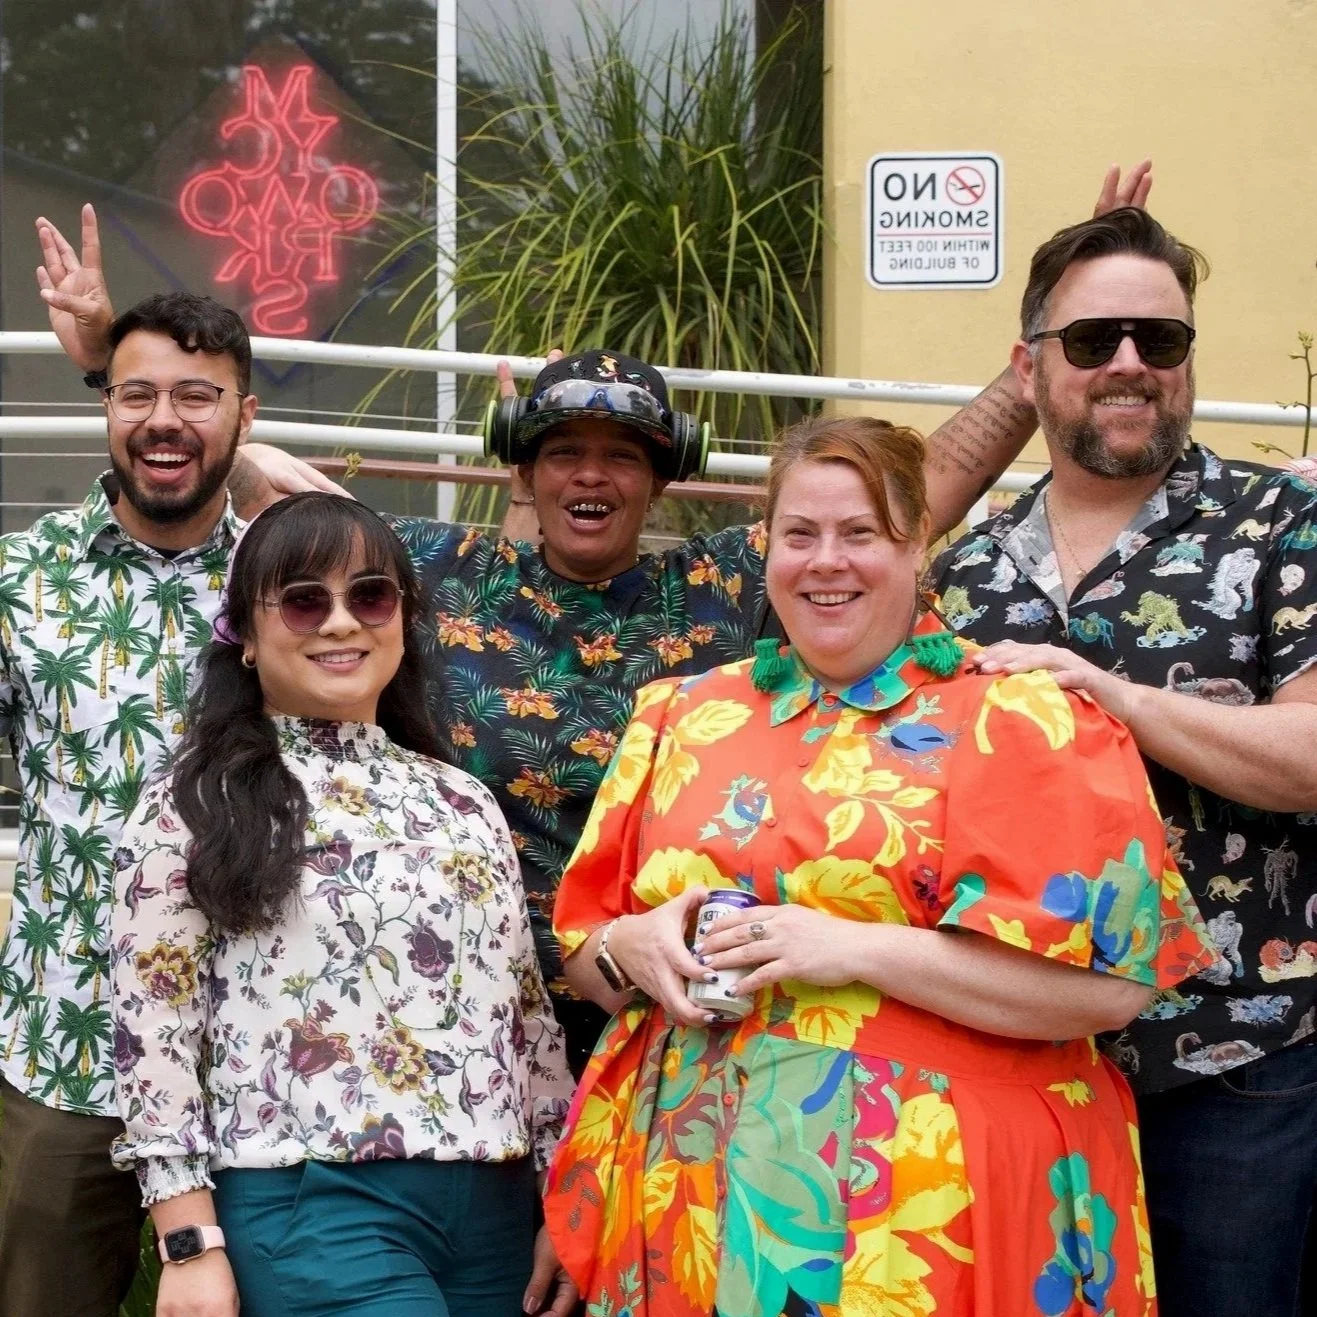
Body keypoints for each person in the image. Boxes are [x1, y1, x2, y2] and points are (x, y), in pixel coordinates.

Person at [42, 206, 1050, 1076]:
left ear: (664, 479)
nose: (590, 478)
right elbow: (224, 458)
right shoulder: (438, 566)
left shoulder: (721, 580)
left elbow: (916, 490)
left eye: (622, 457)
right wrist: (108, 366)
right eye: (563, 454)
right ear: (522, 472)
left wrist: (1039, 360)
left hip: (662, 1001)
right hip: (463, 1005)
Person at [542, 413, 1215, 1317]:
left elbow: (1108, 986)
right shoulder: (680, 715)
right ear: (766, 548)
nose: (827, 561)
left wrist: (848, 948)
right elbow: (587, 957)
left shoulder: (1020, 717)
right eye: (799, 534)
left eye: (861, 533)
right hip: (693, 1186)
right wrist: (637, 945)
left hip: (933, 1200)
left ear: (916, 546)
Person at [926, 205, 1317, 1316]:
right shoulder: (972, 572)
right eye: (1094, 342)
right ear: (1031, 368)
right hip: (1014, 1063)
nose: (1131, 366)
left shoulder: (1283, 523)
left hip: (1237, 1062)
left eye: (1164, 339)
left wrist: (1111, 697)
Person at [110, 492, 576, 1317]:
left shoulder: (462, 798)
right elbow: (153, 1030)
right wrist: (188, 1242)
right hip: (313, 1202)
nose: (339, 622)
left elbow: (525, 1016)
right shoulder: (195, 800)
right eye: (301, 599)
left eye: (369, 594)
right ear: (246, 639)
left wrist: (560, 1198)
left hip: (497, 1211)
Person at [0, 283, 260, 1317]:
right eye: (135, 394)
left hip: (254, 1060)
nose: (163, 418)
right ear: (102, 407)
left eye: (199, 395)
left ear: (247, 415)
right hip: (65, 1047)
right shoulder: (21, 577)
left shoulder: (292, 580)